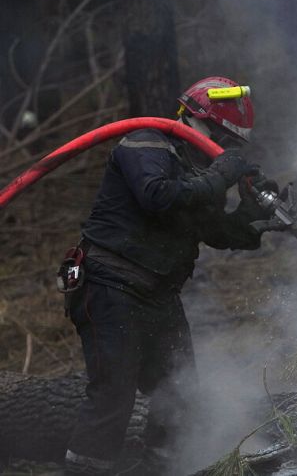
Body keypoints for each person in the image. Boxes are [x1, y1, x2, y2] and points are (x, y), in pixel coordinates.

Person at [62, 77, 275, 475]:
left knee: (180, 399)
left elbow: (218, 232)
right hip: (109, 285)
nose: (224, 151)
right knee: (113, 396)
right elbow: (157, 196)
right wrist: (224, 173)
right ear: (198, 122)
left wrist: (255, 216)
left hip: (158, 296)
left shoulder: (199, 173)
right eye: (222, 139)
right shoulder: (146, 143)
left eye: (232, 147)